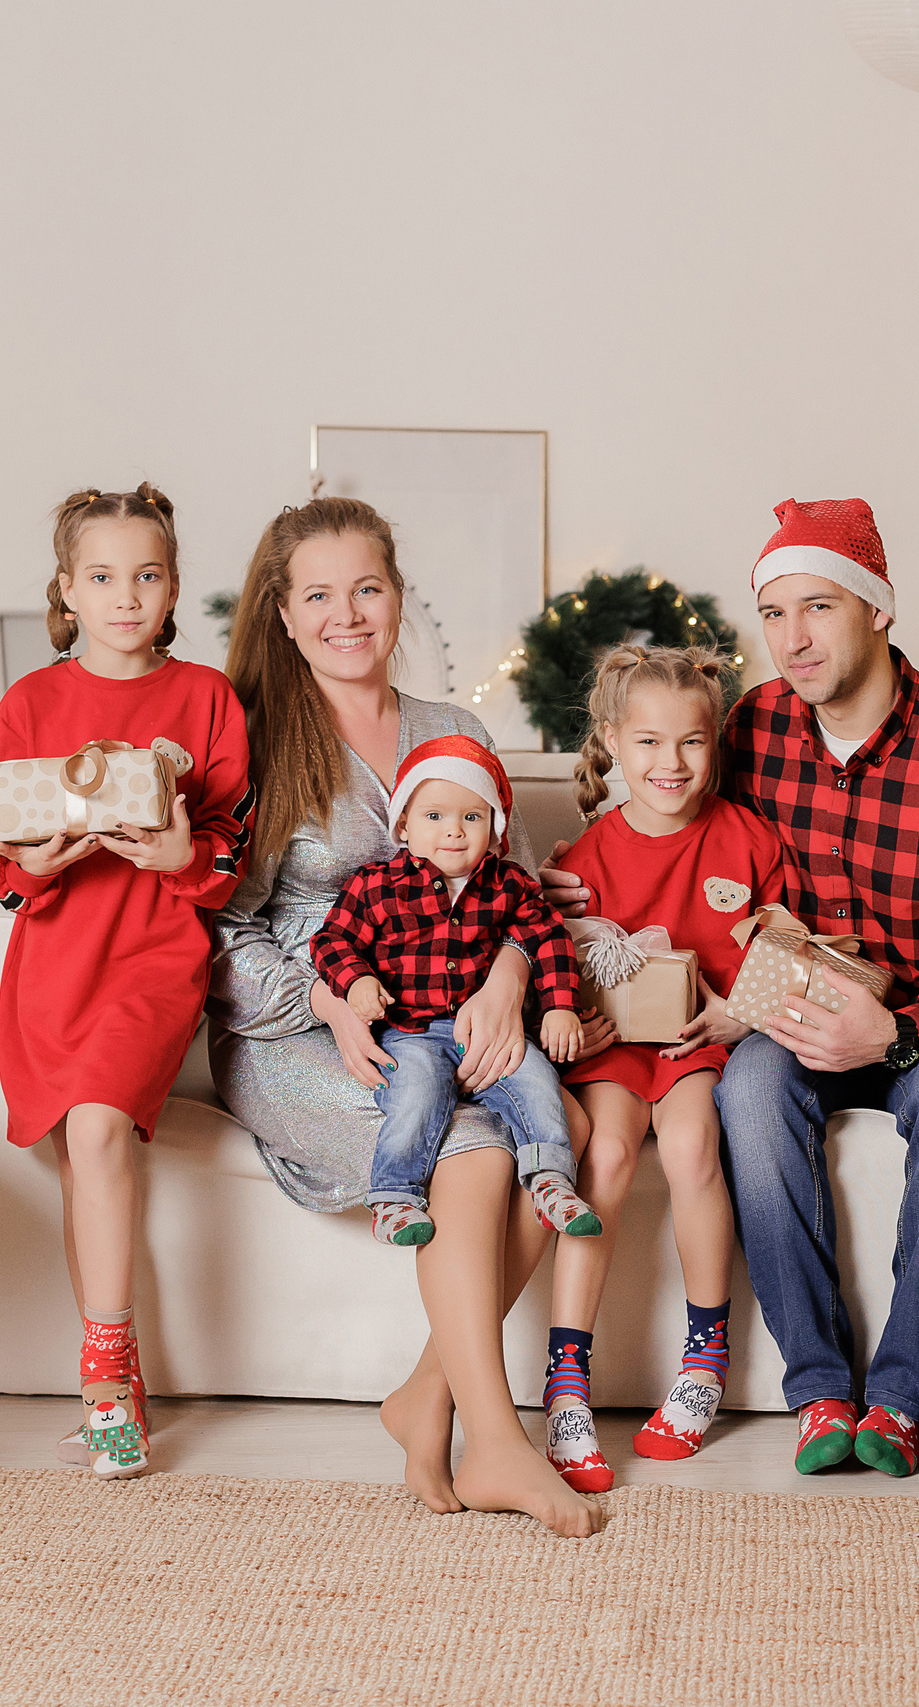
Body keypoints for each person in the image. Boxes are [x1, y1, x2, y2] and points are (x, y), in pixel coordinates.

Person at [542, 498, 919, 1479]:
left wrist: (899, 1032)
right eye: (773, 614)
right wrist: (574, 880)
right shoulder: (752, 726)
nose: (793, 639)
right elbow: (669, 814)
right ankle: (820, 1391)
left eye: (816, 608)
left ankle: (898, 1394)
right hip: (792, 1010)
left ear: (877, 610)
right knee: (749, 1089)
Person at [206, 496, 607, 1537]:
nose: (348, 615)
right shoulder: (252, 742)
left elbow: (512, 890)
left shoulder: (456, 730)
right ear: (283, 615)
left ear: (397, 598)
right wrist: (328, 998)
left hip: (447, 1010)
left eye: (368, 589)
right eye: (320, 595)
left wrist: (511, 981)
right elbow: (217, 935)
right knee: (473, 1151)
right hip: (298, 1030)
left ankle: (424, 1398)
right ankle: (501, 1443)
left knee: (573, 1134)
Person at [0, 483, 254, 1480]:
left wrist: (180, 849)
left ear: (173, 586)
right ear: (67, 588)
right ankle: (114, 1371)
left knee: (96, 1128)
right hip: (53, 956)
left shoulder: (207, 700)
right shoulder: (31, 705)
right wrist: (32, 867)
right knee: (74, 1150)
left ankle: (104, 1375)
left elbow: (227, 860)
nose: (126, 596)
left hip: (153, 950)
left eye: (146, 575)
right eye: (102, 577)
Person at [538, 644, 785, 1492]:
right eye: (646, 743)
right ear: (611, 740)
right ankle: (565, 1379)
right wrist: (574, 1005)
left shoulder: (747, 838)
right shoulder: (590, 855)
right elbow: (555, 962)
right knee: (603, 1158)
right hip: (615, 1049)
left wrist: (737, 1012)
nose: (669, 764)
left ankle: (703, 1361)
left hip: (701, 1044)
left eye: (690, 743)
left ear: (715, 740)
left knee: (689, 1149)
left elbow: (785, 950)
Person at [313, 735, 599, 1247]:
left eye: (472, 817)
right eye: (434, 817)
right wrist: (355, 981)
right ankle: (395, 1198)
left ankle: (551, 1180)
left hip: (483, 1030)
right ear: (403, 825)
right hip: (410, 1031)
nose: (453, 831)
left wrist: (560, 1007)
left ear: (495, 829)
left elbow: (549, 938)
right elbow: (331, 940)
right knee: (417, 1093)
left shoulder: (509, 885)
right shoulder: (377, 885)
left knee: (536, 1079)